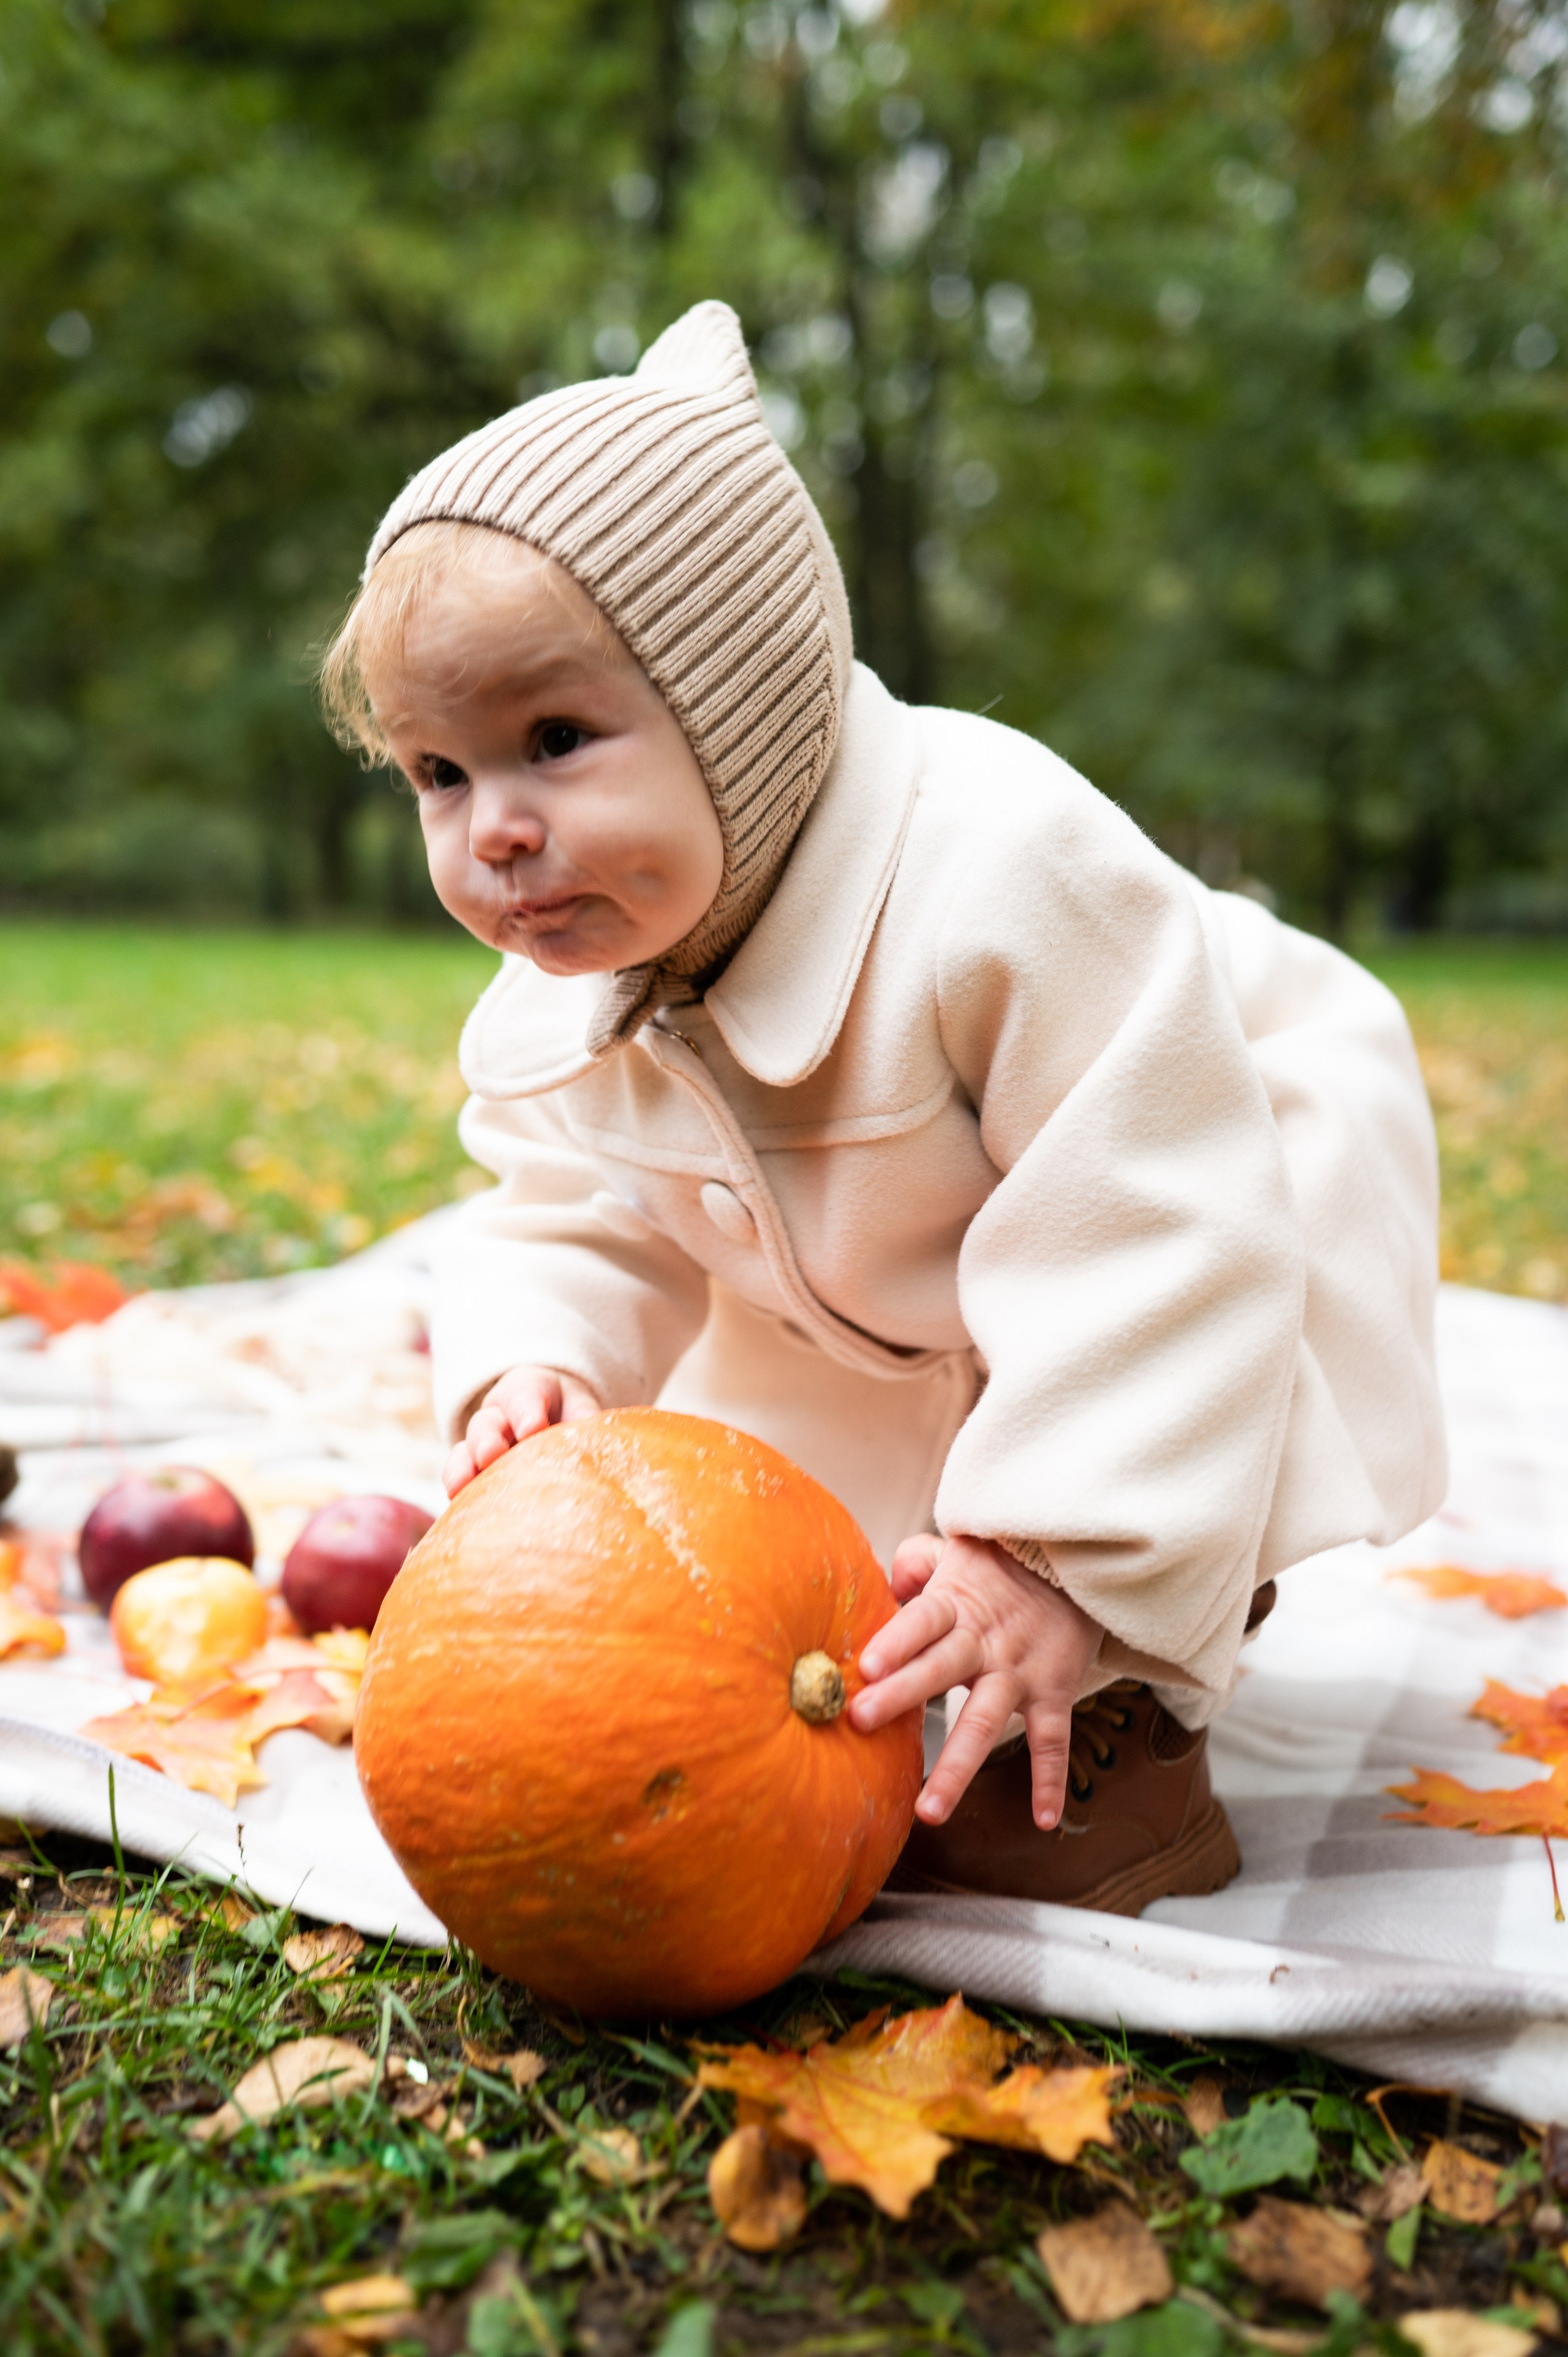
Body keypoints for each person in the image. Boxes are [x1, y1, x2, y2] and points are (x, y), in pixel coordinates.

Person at [320, 300, 1445, 1917]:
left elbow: (1149, 1230)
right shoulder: (589, 960)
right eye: (441, 773)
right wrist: (541, 1358)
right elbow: (571, 1197)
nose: (492, 828)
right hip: (882, 1269)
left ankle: (1129, 1705)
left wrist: (1051, 1557)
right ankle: (971, 1553)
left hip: (1209, 1158)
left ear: (740, 711)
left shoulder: (1007, 876)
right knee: (843, 1578)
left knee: (1132, 1462)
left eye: (555, 741)